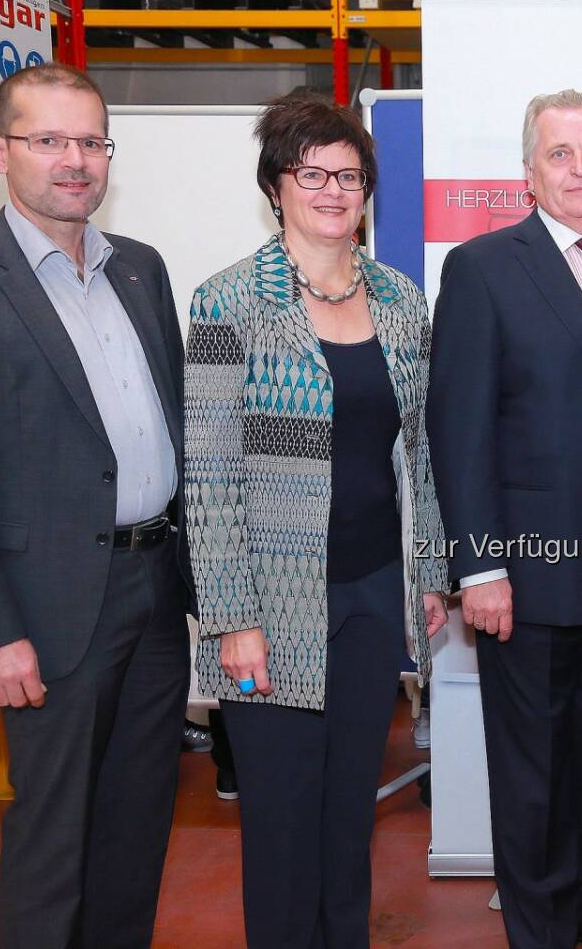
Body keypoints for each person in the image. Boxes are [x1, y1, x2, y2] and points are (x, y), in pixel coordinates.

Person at [183, 93, 450, 949]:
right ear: (277, 186)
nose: (333, 190)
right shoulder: (229, 303)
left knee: (349, 817)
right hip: (272, 609)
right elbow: (211, 474)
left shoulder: (401, 299)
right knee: (282, 826)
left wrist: (431, 572)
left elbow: (425, 452)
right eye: (313, 173)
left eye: (350, 174)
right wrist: (231, 618)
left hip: (374, 596)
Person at [427, 89, 582, 949]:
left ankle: (576, 904)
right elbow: (458, 430)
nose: (580, 169)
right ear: (529, 173)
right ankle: (535, 933)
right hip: (528, 576)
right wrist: (481, 568)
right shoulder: (484, 267)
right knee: (532, 772)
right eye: (561, 154)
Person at [0, 64, 189, 949]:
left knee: (135, 834)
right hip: (47, 610)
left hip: (153, 594)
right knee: (52, 843)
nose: (75, 161)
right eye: (49, 140)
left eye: (91, 141)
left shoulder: (138, 269)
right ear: (0, 150)